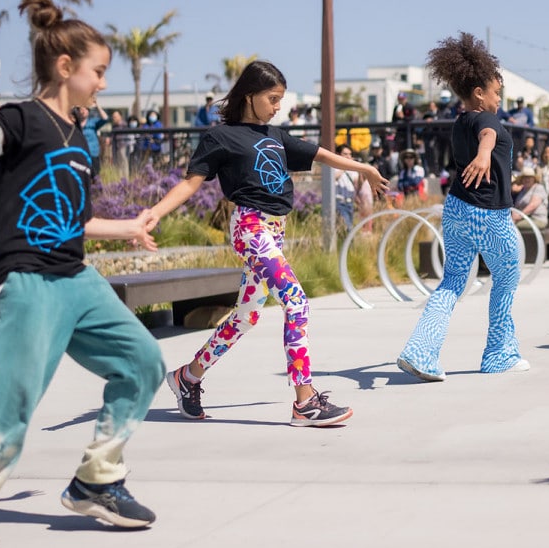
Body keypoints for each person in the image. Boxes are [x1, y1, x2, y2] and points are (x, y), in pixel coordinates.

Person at [0, 0, 164, 548]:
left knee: (143, 363)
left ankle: (97, 481)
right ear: (65, 68)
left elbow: (69, 218)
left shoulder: (77, 138)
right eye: (98, 72)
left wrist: (126, 229)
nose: (102, 85)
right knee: (13, 402)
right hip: (24, 280)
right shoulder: (19, 119)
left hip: (75, 278)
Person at [149, 60, 387, 424]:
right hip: (250, 227)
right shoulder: (221, 137)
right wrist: (153, 214)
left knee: (246, 316)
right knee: (296, 302)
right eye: (272, 98)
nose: (278, 106)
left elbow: (320, 154)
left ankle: (188, 376)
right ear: (249, 95)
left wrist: (365, 169)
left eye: (281, 99)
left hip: (274, 232)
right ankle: (304, 401)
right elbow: (190, 183)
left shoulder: (275, 136)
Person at [397, 32, 528, 382]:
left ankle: (420, 351)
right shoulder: (486, 119)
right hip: (488, 215)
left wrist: (498, 171)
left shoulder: (459, 122)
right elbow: (490, 136)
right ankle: (499, 354)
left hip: (455, 210)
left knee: (453, 281)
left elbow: (485, 151)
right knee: (507, 276)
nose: (499, 100)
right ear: (479, 94)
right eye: (496, 92)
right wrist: (486, 153)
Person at [334, 143, 372, 229]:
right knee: (347, 228)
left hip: (350, 203)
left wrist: (363, 176)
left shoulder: (352, 170)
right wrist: (344, 166)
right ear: (338, 154)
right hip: (339, 202)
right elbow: (333, 178)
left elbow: (357, 186)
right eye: (345, 154)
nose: (348, 157)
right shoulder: (333, 168)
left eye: (350, 154)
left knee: (348, 228)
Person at [76, 104, 109, 178]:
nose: (83, 111)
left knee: (95, 175)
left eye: (85, 109)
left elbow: (105, 118)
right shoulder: (75, 123)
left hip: (92, 153)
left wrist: (97, 105)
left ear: (88, 111)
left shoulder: (92, 122)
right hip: (80, 154)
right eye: (81, 109)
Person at [511, 163, 548, 228]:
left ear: (534, 179)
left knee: (512, 226)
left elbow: (533, 205)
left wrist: (519, 216)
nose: (527, 179)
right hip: (525, 218)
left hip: (537, 219)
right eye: (524, 177)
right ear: (522, 180)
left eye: (529, 177)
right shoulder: (523, 191)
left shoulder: (538, 187)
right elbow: (517, 207)